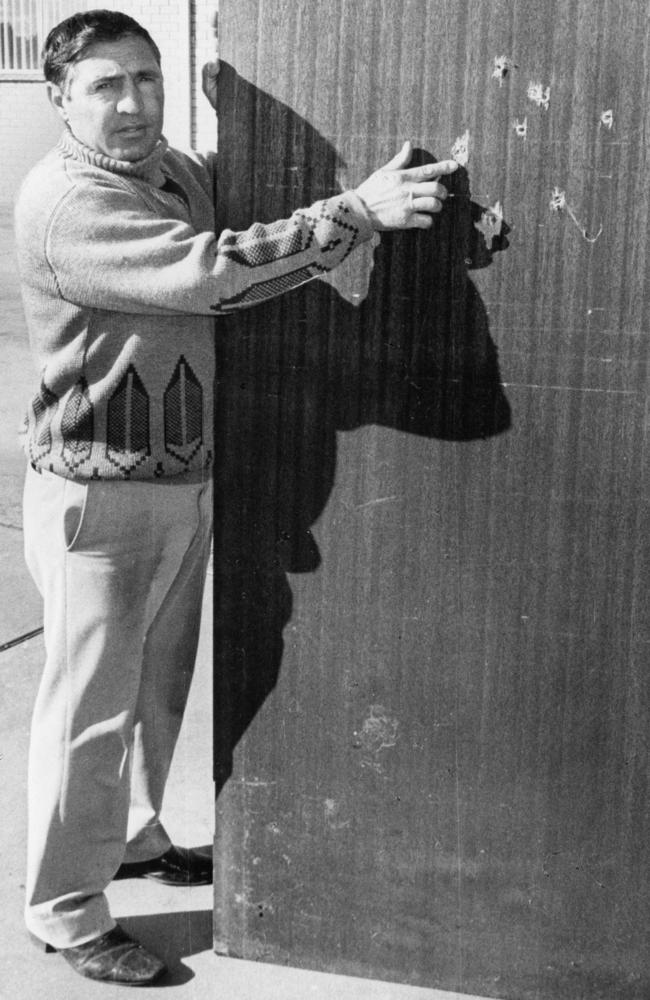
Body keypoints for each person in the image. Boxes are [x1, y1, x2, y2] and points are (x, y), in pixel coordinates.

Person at [14, 8, 458, 986]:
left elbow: (249, 245)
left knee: (157, 689)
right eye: (103, 85)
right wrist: (354, 215)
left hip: (176, 481)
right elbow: (214, 274)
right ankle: (64, 909)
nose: (131, 102)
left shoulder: (168, 168)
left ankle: (132, 837)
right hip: (95, 496)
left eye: (144, 78)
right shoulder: (67, 202)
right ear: (58, 100)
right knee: (87, 711)